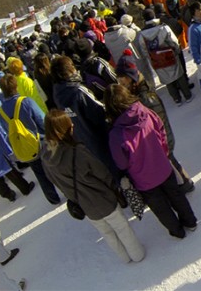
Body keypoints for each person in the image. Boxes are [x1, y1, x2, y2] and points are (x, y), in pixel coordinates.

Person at [41, 109, 145, 262]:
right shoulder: (78, 152)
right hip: (103, 199)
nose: (73, 127)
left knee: (107, 233)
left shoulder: (46, 157)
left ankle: (124, 258)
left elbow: (54, 181)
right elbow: (102, 173)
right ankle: (137, 255)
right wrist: (114, 188)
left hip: (84, 205)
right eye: (70, 125)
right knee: (122, 228)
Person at [105, 84, 198, 239]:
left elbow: (121, 163)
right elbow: (161, 128)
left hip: (144, 179)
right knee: (177, 196)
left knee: (161, 208)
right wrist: (162, 150)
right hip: (163, 166)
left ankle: (177, 231)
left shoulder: (116, 134)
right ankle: (191, 222)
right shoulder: (144, 111)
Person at [114, 51, 195, 193]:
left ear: (131, 77)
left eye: (123, 80)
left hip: (162, 140)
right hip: (158, 141)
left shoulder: (146, 98)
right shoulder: (138, 92)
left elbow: (158, 122)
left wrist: (160, 142)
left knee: (171, 163)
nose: (121, 83)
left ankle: (186, 183)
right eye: (119, 80)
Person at [51, 55, 119, 179]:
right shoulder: (78, 91)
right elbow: (100, 113)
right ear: (69, 70)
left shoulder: (57, 92)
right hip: (101, 137)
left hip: (85, 141)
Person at [0, 74, 61, 204]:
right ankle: (68, 193)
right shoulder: (26, 101)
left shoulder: (1, 111)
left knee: (40, 174)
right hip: (40, 142)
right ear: (15, 86)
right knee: (55, 169)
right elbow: (42, 121)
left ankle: (53, 199)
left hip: (24, 147)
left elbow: (5, 130)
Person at [140, 8, 192, 106]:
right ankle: (187, 95)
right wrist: (176, 50)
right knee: (179, 75)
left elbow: (144, 51)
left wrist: (152, 59)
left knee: (167, 80)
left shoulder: (142, 35)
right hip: (170, 55)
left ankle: (177, 99)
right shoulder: (163, 27)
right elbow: (174, 41)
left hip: (156, 60)